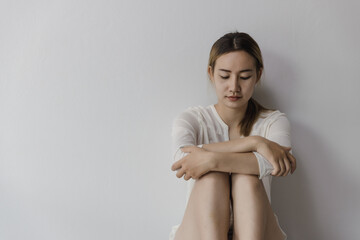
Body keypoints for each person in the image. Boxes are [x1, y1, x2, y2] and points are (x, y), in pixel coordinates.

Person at [169, 32, 297, 240]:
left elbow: (276, 164)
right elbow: (181, 162)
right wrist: (255, 143)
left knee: (247, 179)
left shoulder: (274, 121)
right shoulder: (191, 119)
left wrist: (209, 159)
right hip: (200, 233)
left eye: (245, 77)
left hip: (257, 233)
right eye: (225, 76)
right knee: (212, 179)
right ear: (211, 73)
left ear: (258, 74)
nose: (234, 87)